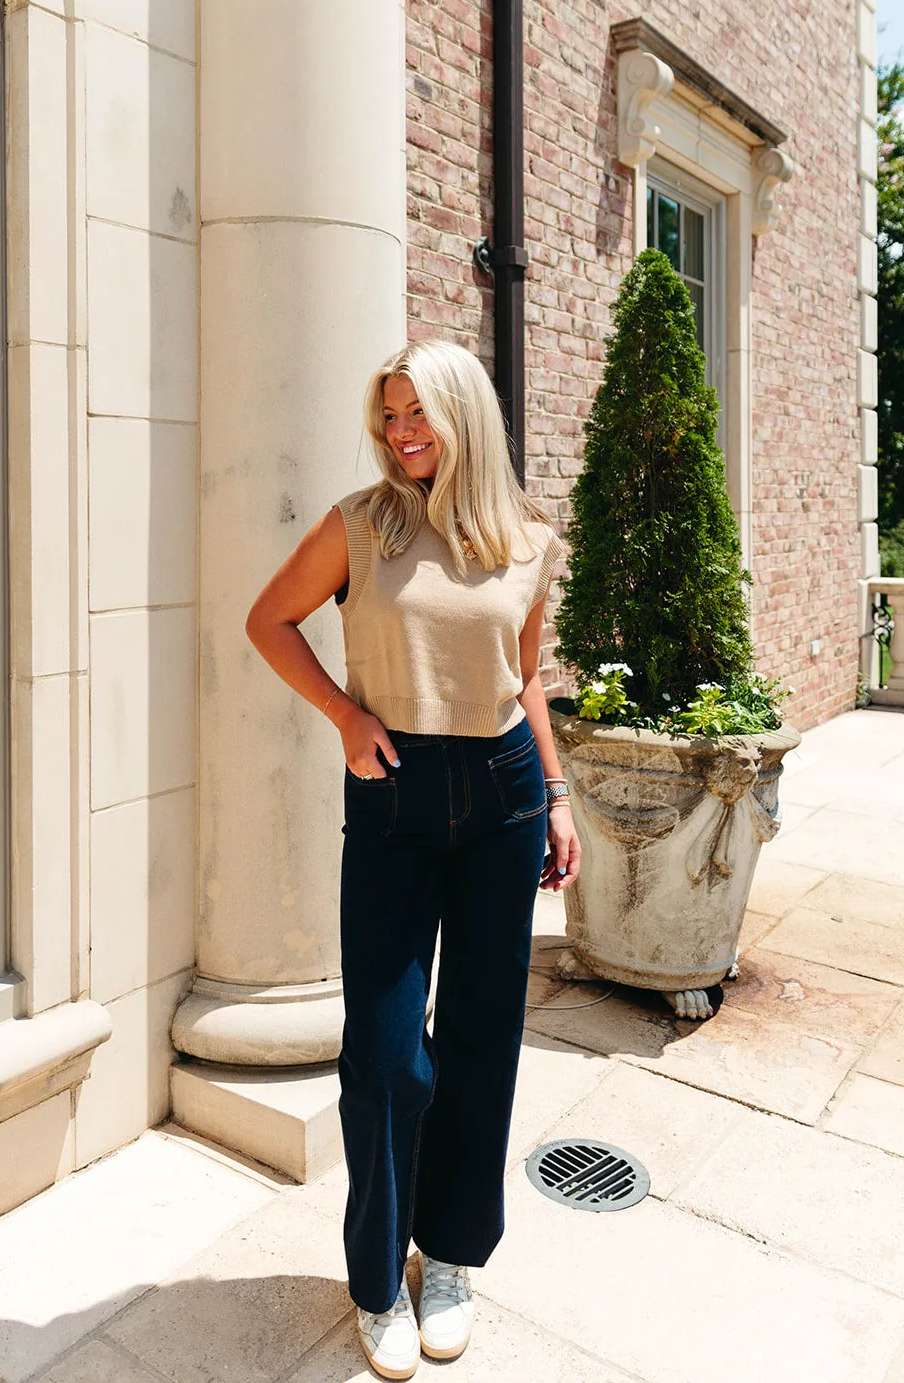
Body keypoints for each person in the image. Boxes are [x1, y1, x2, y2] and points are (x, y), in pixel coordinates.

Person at [246, 338, 581, 1379]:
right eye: (389, 415)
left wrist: (557, 796)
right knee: (387, 1055)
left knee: (481, 1039)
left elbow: (523, 680)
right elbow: (268, 620)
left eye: (417, 414)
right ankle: (374, 1276)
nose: (400, 433)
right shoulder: (362, 522)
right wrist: (344, 716)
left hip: (503, 794)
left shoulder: (526, 540)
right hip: (391, 795)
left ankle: (450, 1257)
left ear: (462, 414)